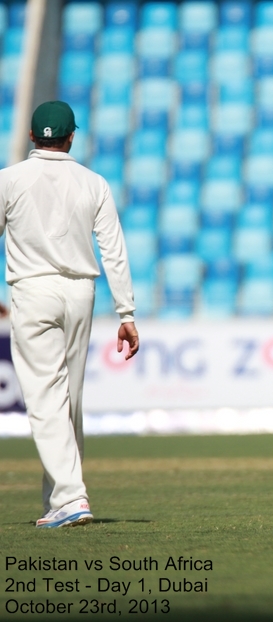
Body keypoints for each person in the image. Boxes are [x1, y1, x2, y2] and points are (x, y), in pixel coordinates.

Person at [0, 101, 139, 528]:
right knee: (69, 401)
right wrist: (126, 311)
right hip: (81, 292)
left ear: (30, 136)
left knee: (46, 400)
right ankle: (58, 500)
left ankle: (71, 497)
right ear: (71, 136)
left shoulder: (9, 179)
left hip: (32, 289)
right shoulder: (93, 182)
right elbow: (113, 249)